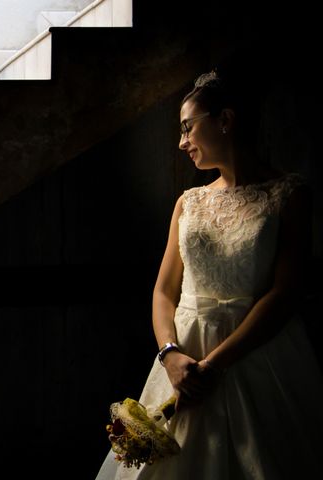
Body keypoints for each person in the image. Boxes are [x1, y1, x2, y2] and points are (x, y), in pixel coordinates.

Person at [95, 70, 323, 479]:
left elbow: (286, 292)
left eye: (187, 127)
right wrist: (171, 357)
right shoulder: (190, 202)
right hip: (183, 354)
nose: (182, 142)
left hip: (257, 356)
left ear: (225, 120)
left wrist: (214, 364)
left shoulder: (288, 195)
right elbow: (164, 291)